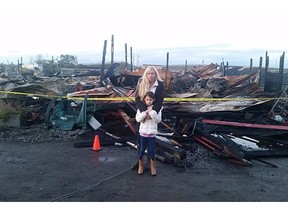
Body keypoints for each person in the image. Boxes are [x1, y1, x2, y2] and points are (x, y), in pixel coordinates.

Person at [131, 66, 165, 170]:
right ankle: (139, 161)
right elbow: (137, 99)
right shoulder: (141, 82)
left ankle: (151, 164)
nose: (150, 75)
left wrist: (152, 112)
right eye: (148, 73)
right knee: (140, 141)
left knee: (151, 143)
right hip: (142, 114)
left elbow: (159, 100)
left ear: (156, 74)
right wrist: (144, 112)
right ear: (146, 74)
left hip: (153, 113)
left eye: (152, 73)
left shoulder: (159, 85)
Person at [135, 91, 162, 176]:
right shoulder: (141, 108)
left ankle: (153, 167)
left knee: (152, 150)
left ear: (153, 100)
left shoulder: (157, 109)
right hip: (143, 133)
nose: (148, 101)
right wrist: (145, 113)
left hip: (152, 133)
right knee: (142, 149)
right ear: (144, 100)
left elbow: (158, 120)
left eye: (150, 99)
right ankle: (140, 165)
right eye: (147, 99)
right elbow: (138, 119)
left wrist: (152, 113)